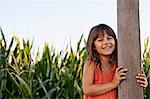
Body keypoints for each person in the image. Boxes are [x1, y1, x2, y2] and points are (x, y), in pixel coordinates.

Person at [82, 24, 148, 99]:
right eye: (100, 40)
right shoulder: (91, 63)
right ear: (93, 46)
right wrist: (113, 83)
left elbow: (129, 83)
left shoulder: (119, 63)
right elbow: (87, 89)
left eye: (109, 38)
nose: (106, 42)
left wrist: (143, 83)